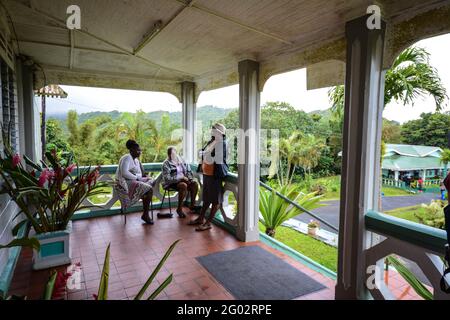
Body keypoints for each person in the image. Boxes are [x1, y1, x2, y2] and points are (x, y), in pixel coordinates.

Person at [189, 123, 227, 232]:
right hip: (206, 173)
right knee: (206, 198)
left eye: (215, 129)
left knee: (215, 200)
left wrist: (205, 153)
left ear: (221, 132)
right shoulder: (211, 141)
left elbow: (217, 157)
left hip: (215, 175)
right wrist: (202, 153)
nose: (212, 131)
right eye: (212, 129)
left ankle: (208, 223)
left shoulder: (222, 143)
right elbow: (204, 153)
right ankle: (200, 219)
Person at [115, 140, 154, 224]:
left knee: (151, 181)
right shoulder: (126, 157)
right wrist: (136, 177)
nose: (140, 152)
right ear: (131, 150)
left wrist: (144, 177)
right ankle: (145, 215)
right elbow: (124, 173)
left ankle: (144, 195)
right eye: (138, 150)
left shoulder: (136, 160)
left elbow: (140, 174)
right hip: (124, 182)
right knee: (149, 189)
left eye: (140, 150)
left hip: (133, 181)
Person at [161, 147, 199, 218]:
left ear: (176, 153)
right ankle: (179, 209)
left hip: (184, 180)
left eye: (173, 153)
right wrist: (180, 178)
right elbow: (167, 179)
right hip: (171, 183)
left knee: (194, 184)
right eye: (170, 154)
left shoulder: (182, 161)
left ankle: (192, 205)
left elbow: (189, 171)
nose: (172, 155)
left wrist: (189, 178)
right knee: (183, 185)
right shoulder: (166, 164)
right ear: (168, 154)